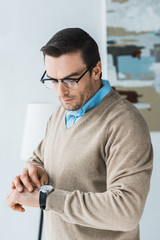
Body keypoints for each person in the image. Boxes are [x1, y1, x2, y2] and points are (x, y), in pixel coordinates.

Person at [7, 28, 153, 240]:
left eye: (70, 80)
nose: (60, 92)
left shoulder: (125, 123)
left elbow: (126, 211)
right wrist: (33, 171)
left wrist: (45, 199)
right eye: (53, 80)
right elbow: (41, 156)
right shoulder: (63, 112)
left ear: (96, 71)